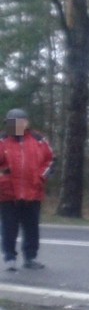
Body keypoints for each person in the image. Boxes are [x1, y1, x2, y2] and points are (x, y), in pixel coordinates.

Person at [0, 108, 54, 271]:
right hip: (7, 193)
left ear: (25, 123)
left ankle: (31, 257)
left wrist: (40, 177)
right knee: (9, 228)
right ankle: (10, 257)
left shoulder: (39, 140)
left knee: (31, 227)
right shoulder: (2, 141)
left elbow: (50, 161)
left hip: (33, 192)